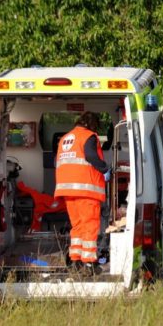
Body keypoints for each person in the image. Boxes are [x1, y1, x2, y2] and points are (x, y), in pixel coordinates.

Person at [55, 111, 111, 275]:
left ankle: (75, 261)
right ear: (92, 124)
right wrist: (105, 169)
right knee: (90, 226)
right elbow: (91, 156)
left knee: (77, 227)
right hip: (86, 190)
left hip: (68, 190)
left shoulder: (66, 138)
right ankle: (89, 264)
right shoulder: (88, 136)